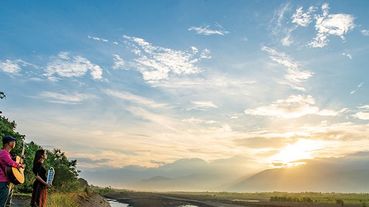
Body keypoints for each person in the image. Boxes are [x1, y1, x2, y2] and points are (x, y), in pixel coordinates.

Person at [0, 135, 24, 207]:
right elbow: (11, 163)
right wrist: (20, 166)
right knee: (1, 204)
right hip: (2, 182)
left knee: (6, 203)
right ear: (7, 143)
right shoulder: (4, 152)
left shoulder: (8, 154)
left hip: (6, 181)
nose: (14, 143)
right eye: (12, 141)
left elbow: (11, 166)